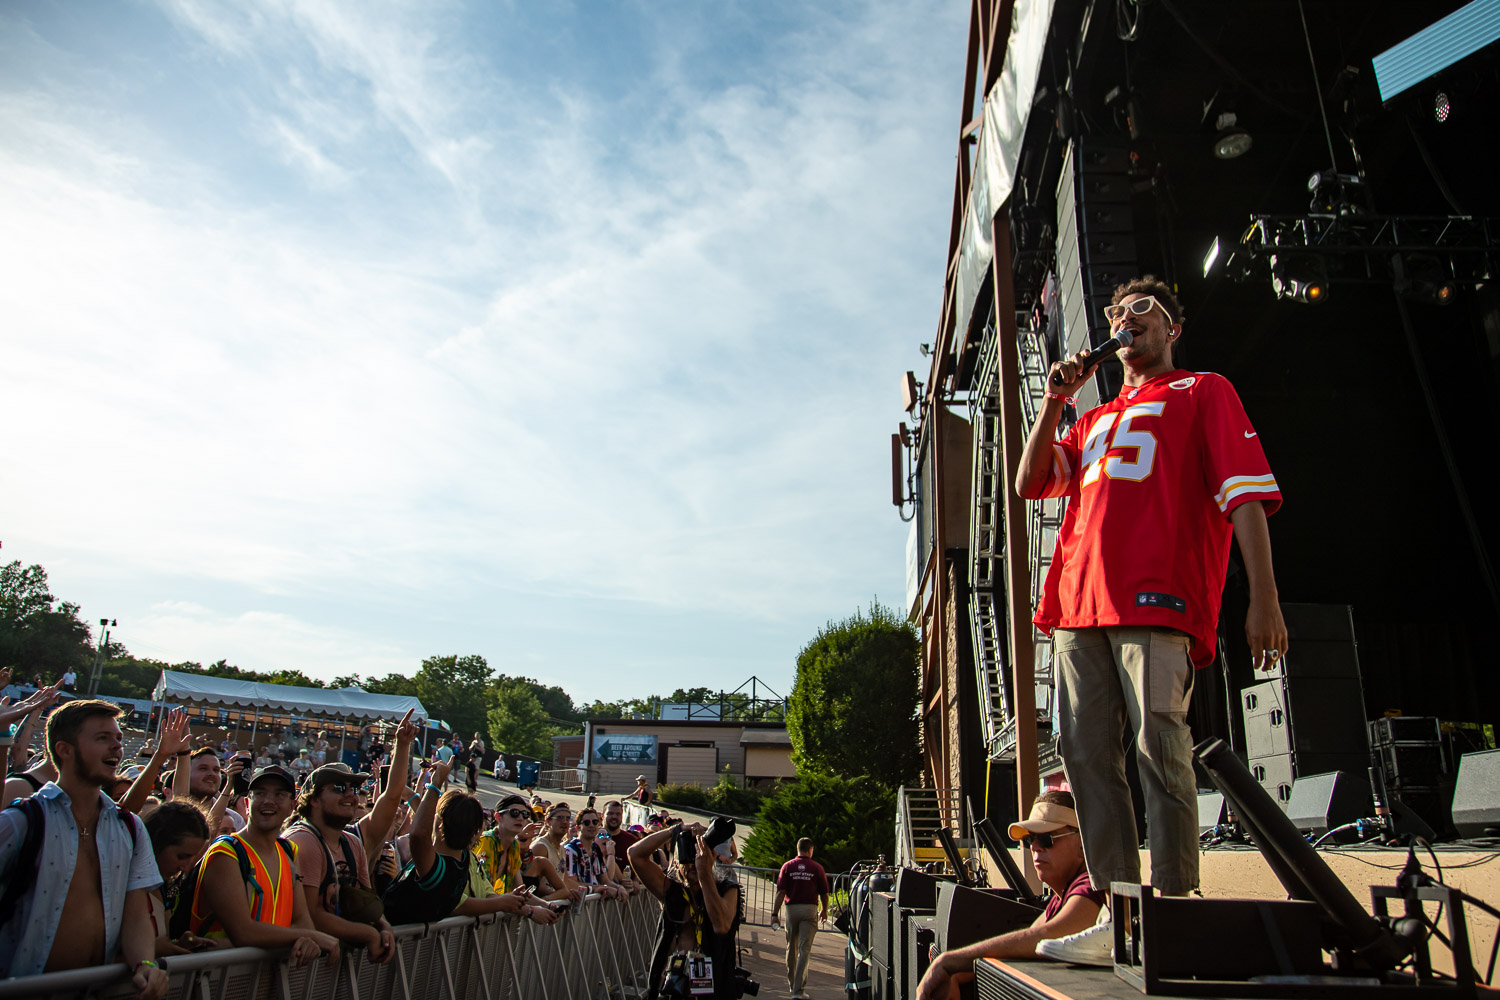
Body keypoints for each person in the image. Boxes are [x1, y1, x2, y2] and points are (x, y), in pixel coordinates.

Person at [1015, 276, 1287, 962]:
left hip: (1155, 598)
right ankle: (1114, 912)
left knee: (1158, 746)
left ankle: (1172, 905)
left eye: (1143, 311)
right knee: (1084, 759)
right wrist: (1055, 399)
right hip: (1080, 606)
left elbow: (1246, 499)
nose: (1126, 320)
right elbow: (1029, 482)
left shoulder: (1203, 391)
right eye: (1116, 313)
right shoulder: (1091, 418)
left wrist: (1265, 598)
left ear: (1172, 329)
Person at [0, 699, 170, 997]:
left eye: (118, 738)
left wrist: (145, 962)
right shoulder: (21, 822)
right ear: (64, 750)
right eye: (102, 738)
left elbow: (136, 914)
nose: (117, 747)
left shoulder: (130, 827)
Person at [917, 792, 1106, 998]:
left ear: (1083, 844)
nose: (1035, 847)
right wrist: (955, 974)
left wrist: (949, 962)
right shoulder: (1060, 897)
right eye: (1031, 839)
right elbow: (1022, 947)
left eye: (1046, 838)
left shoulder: (1092, 885)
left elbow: (1048, 935)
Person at [183, 764, 339, 965]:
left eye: (279, 795)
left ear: (292, 806)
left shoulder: (288, 851)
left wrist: (305, 938)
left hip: (267, 980)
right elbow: (243, 932)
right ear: (247, 803)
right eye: (260, 793)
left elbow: (302, 919)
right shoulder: (226, 852)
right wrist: (308, 937)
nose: (268, 801)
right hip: (216, 981)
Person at [629, 821, 742, 999]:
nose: (693, 863)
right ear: (676, 862)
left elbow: (721, 926)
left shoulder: (727, 889)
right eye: (686, 857)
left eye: (696, 856)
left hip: (711, 988)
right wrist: (675, 830)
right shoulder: (671, 890)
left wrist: (704, 872)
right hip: (671, 984)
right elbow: (635, 854)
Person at [381, 759, 481, 924]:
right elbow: (431, 823)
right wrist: (412, 796)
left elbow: (420, 833)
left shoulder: (435, 868)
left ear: (440, 823)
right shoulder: (462, 860)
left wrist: (435, 784)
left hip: (394, 942)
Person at [143, 801, 215, 957]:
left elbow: (162, 941)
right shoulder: (122, 885)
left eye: (192, 858)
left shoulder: (165, 888)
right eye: (182, 857)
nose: (185, 866)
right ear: (156, 843)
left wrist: (178, 945)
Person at [770, 838, 829, 999]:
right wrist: (824, 910)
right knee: (804, 949)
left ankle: (791, 984)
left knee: (791, 947)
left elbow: (781, 892)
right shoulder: (817, 868)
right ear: (810, 850)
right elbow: (824, 893)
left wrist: (774, 914)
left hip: (791, 909)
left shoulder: (787, 866)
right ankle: (799, 990)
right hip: (809, 909)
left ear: (798, 849)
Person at [563, 807, 626, 899]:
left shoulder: (596, 849)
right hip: (578, 903)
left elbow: (605, 880)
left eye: (595, 822)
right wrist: (599, 888)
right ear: (578, 827)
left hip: (593, 906)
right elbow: (570, 882)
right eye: (587, 823)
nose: (591, 825)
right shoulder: (570, 850)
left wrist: (619, 887)